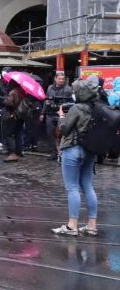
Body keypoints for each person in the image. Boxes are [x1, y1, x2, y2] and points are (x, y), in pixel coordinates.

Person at [52, 78, 100, 237]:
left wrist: (61, 117)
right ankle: (92, 225)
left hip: (73, 149)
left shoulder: (77, 108)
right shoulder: (96, 108)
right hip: (90, 150)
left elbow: (65, 129)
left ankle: (72, 225)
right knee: (87, 186)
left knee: (72, 187)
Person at [43, 72, 73, 161]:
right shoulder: (50, 87)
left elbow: (70, 103)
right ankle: (53, 152)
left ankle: (62, 153)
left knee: (62, 133)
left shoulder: (68, 89)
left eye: (63, 79)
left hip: (62, 114)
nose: (61, 80)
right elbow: (46, 100)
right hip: (50, 113)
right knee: (50, 133)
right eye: (59, 79)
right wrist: (42, 112)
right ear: (55, 79)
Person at [2, 80, 25, 163]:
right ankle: (18, 152)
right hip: (20, 116)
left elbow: (9, 103)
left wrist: (5, 99)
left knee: (9, 134)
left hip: (12, 115)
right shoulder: (22, 91)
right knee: (18, 134)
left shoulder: (13, 92)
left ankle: (12, 153)